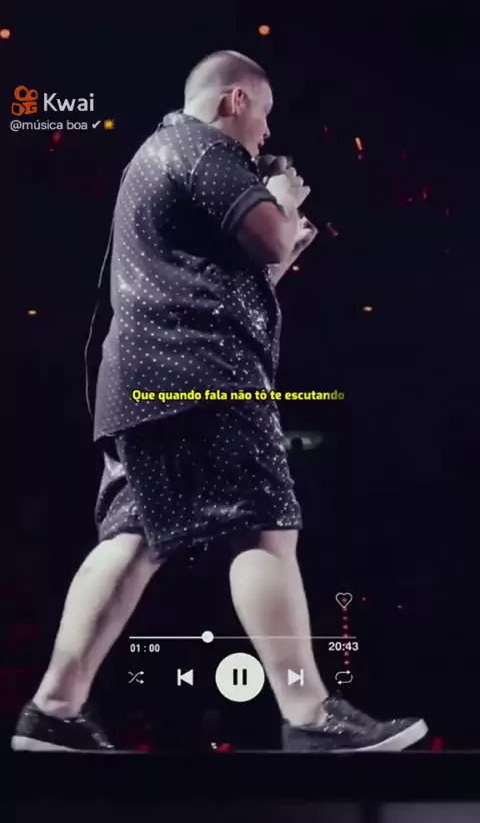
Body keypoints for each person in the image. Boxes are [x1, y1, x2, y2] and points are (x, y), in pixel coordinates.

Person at [12, 50, 428, 752]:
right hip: (201, 371)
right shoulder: (206, 148)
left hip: (148, 377)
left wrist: (282, 236)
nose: (265, 133)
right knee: (264, 525)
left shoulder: (155, 155)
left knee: (133, 537)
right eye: (263, 115)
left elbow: (250, 271)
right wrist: (284, 200)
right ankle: (310, 714)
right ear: (236, 100)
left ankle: (52, 710)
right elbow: (269, 240)